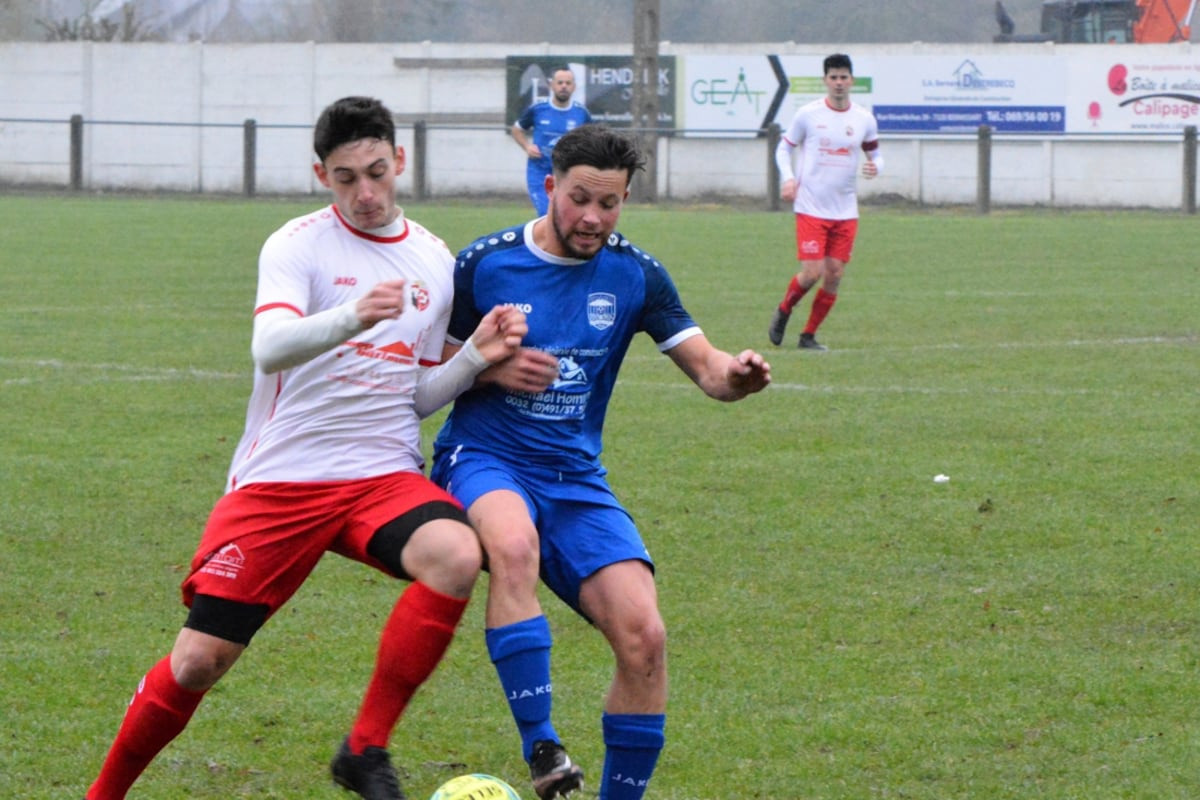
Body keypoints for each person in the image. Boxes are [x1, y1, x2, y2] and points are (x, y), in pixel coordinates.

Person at [83, 96, 530, 800]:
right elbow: (269, 348)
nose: (366, 193)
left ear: (400, 160)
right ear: (322, 174)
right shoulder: (297, 244)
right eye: (346, 177)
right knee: (200, 661)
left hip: (381, 472)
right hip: (282, 479)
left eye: (377, 172)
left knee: (456, 554)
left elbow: (414, 397)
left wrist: (474, 356)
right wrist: (354, 314)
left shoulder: (434, 260)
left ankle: (364, 748)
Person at [430, 123, 772, 800]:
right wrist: (490, 370)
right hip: (485, 456)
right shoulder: (486, 264)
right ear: (550, 186)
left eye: (609, 204)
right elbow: (431, 370)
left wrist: (740, 374)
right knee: (514, 545)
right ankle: (543, 750)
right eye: (579, 198)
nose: (592, 218)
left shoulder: (635, 275)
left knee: (645, 637)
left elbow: (708, 371)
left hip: (576, 480)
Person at [767, 52, 882, 351]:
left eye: (844, 77)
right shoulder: (808, 114)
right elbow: (783, 149)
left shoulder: (863, 119)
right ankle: (784, 310)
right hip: (811, 207)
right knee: (812, 273)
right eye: (834, 77)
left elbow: (876, 154)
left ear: (852, 80)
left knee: (834, 275)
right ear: (825, 81)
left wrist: (876, 167)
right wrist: (788, 178)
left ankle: (808, 336)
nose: (839, 83)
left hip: (845, 210)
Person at [512, 66, 593, 216]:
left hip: (569, 173)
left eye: (568, 83)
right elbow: (516, 130)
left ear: (573, 87)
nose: (564, 86)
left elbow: (592, 139)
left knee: (567, 215)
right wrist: (527, 146)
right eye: (560, 82)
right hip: (540, 172)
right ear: (552, 85)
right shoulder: (538, 109)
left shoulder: (581, 113)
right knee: (546, 213)